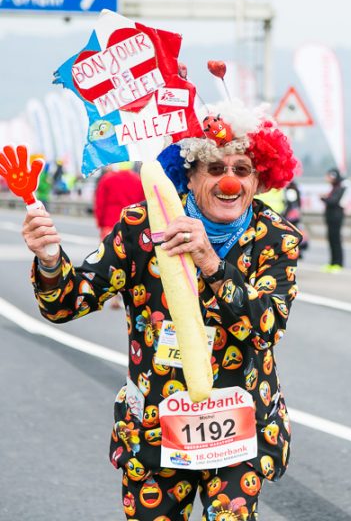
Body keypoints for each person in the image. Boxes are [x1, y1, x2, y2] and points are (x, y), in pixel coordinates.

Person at [22, 96, 302, 520]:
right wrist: (48, 258)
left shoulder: (275, 237)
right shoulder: (142, 227)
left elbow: (267, 327)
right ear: (189, 177)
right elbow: (66, 303)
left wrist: (211, 263)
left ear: (259, 181)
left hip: (238, 428)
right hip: (156, 427)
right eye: (215, 168)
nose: (230, 181)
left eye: (242, 170)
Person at [94, 163, 145, 239]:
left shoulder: (107, 179)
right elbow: (142, 206)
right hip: (131, 225)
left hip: (110, 224)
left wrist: (100, 224)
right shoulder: (139, 180)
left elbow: (100, 204)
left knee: (108, 249)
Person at [320, 167, 346, 272]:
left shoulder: (340, 188)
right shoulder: (334, 188)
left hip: (336, 218)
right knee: (331, 240)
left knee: (336, 241)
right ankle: (332, 263)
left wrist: (324, 198)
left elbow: (333, 201)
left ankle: (338, 263)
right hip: (331, 218)